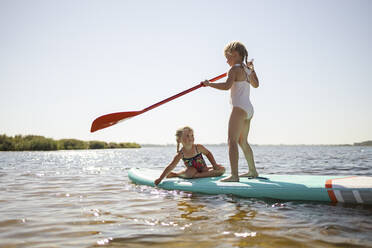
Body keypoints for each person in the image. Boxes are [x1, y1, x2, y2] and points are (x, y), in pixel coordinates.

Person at [202, 41, 259, 182]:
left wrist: (209, 84)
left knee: (232, 141)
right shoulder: (247, 69)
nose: (226, 60)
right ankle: (253, 171)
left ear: (235, 54)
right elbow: (256, 85)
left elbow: (227, 86)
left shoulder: (233, 70)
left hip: (239, 108)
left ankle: (234, 175)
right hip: (249, 109)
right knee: (243, 141)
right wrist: (252, 70)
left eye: (227, 57)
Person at [154, 126, 225, 185]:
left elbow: (208, 153)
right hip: (191, 172)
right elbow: (171, 166)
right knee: (191, 171)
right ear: (179, 140)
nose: (190, 138)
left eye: (192, 135)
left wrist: (214, 165)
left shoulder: (198, 147)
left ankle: (197, 176)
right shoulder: (181, 154)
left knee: (222, 169)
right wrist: (160, 178)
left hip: (203, 169)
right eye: (187, 136)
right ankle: (177, 174)